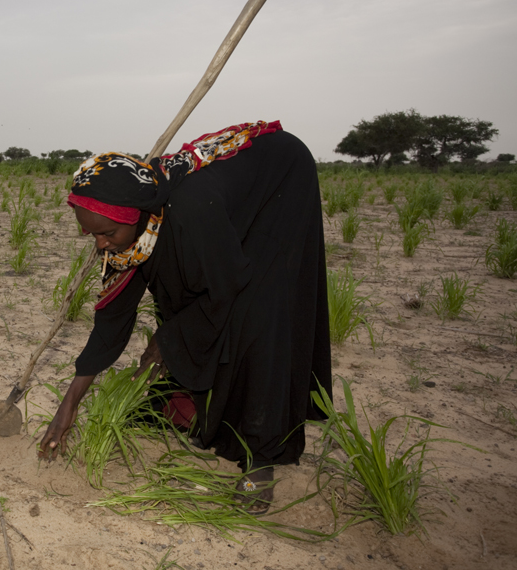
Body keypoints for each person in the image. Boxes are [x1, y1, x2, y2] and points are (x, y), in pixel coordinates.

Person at [37, 121, 332, 515]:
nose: (100, 244)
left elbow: (227, 287)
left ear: (139, 216)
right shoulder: (131, 234)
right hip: (217, 210)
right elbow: (112, 324)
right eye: (91, 235)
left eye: (106, 233)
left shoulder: (192, 212)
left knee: (259, 311)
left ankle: (260, 457)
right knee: (179, 292)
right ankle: (188, 400)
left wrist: (168, 338)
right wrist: (69, 404)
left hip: (280, 182)